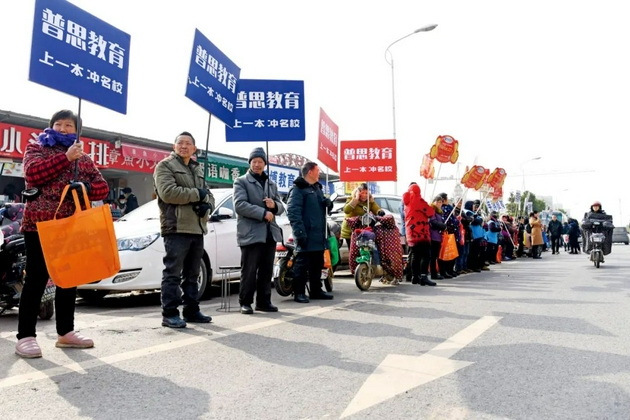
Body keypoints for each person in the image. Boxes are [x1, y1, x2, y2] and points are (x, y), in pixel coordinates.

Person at [15, 109, 109, 358]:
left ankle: (66, 332)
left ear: (76, 130)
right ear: (51, 127)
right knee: (36, 279)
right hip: (40, 224)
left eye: (69, 125)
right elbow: (33, 174)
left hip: (71, 225)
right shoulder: (36, 147)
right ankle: (25, 336)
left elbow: (103, 188)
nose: (63, 128)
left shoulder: (84, 158)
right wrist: (66, 158)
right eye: (58, 124)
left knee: (68, 278)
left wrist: (86, 186)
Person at [154, 131, 215, 328]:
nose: (184, 146)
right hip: (176, 227)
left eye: (188, 143)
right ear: (174, 147)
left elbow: (209, 195)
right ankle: (170, 313)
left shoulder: (197, 169)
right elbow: (168, 193)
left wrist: (207, 204)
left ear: (194, 149)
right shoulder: (165, 166)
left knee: (192, 273)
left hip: (197, 227)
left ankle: (191, 310)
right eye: (180, 143)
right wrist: (198, 194)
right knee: (173, 272)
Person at [233, 147, 284, 314]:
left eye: (260, 162)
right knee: (249, 270)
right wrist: (263, 213)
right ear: (249, 163)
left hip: (269, 233)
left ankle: (264, 301)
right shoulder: (241, 181)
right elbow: (240, 205)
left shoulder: (271, 184)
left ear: (265, 164)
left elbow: (281, 207)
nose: (257, 165)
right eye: (254, 161)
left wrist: (274, 205)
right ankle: (245, 302)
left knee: (266, 270)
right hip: (251, 233)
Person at [286, 162, 333, 303]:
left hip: (318, 234)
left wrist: (327, 204)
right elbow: (293, 212)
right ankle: (299, 292)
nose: (319, 173)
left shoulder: (317, 188)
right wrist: (299, 232)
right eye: (317, 170)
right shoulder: (298, 189)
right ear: (310, 172)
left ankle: (316, 290)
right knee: (302, 264)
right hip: (306, 233)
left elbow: (320, 210)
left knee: (317, 263)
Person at [402, 182, 436, 286]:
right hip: (421, 233)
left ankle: (414, 276)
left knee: (414, 256)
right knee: (425, 255)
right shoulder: (419, 201)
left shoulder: (406, 203)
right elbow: (430, 212)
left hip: (410, 233)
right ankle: (423, 276)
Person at [340, 183, 380, 250]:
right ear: (358, 192)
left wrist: (379, 211)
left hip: (363, 230)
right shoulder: (351, 199)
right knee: (353, 252)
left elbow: (376, 208)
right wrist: (356, 199)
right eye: (362, 192)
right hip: (350, 230)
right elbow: (346, 210)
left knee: (363, 251)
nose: (364, 195)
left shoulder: (369, 201)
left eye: (366, 193)